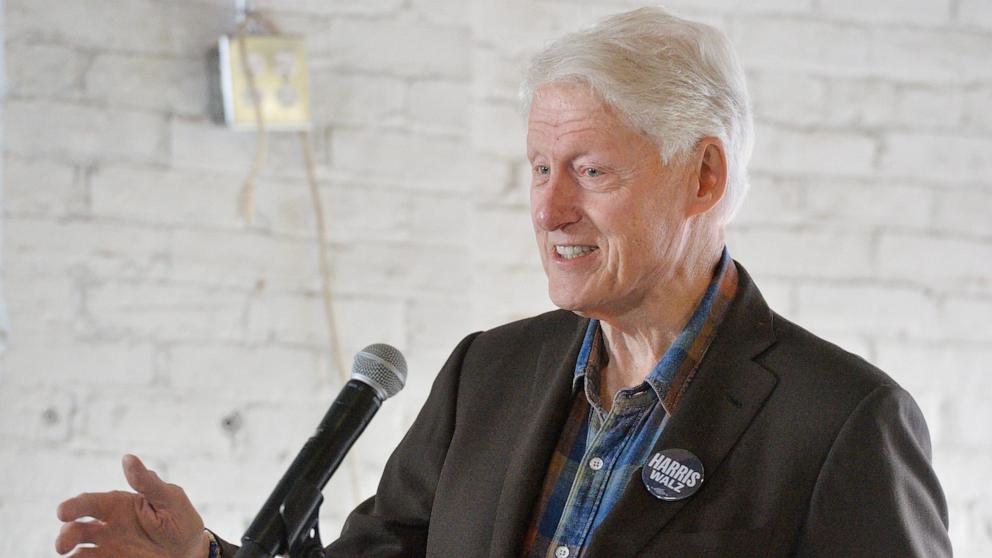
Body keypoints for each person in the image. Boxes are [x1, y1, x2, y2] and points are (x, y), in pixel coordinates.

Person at [55, 7, 952, 557]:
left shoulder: (842, 424)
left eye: (591, 172)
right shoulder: (488, 374)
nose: (548, 210)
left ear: (704, 177)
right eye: (537, 169)